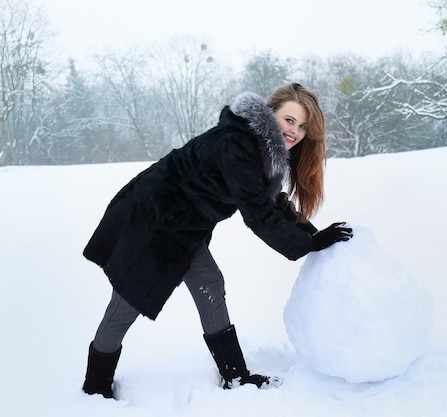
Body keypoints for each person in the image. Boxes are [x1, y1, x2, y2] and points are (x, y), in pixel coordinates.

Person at [81, 83, 353, 398]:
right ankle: (95, 387)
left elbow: (271, 202)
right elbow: (258, 215)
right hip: (151, 219)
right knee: (128, 301)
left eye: (303, 126)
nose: (295, 131)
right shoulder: (237, 145)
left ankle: (235, 377)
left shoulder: (259, 148)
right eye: (289, 120)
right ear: (270, 113)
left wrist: (314, 235)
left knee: (210, 283)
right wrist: (309, 245)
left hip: (182, 224)